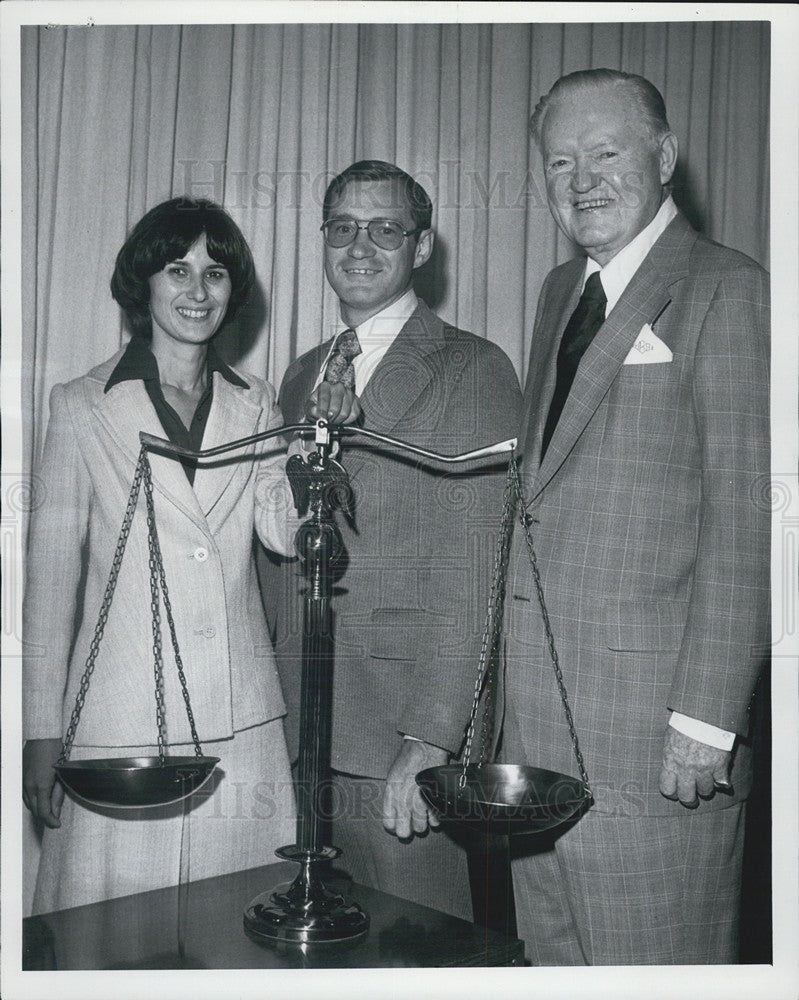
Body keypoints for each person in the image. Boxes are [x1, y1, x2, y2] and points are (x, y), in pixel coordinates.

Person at [22, 197, 357, 914]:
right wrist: (41, 732)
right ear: (143, 283)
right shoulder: (81, 404)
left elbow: (279, 528)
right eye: (178, 270)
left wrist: (315, 449)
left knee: (233, 925)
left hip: (240, 717)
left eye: (215, 273)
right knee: (112, 934)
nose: (198, 292)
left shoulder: (257, 402)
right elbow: (49, 584)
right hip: (118, 720)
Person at [502, 69, 770, 964]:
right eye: (559, 162)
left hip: (652, 731)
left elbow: (751, 519)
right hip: (537, 727)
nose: (581, 181)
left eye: (605, 154)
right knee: (552, 960)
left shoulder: (729, 289)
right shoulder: (556, 293)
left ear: (663, 158)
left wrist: (704, 719)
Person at [259, 160, 522, 919]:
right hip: (306, 720)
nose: (359, 245)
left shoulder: (471, 368)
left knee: (416, 947)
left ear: (423, 245)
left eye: (385, 228)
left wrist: (432, 740)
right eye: (342, 227)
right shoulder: (305, 372)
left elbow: (477, 567)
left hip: (401, 734)